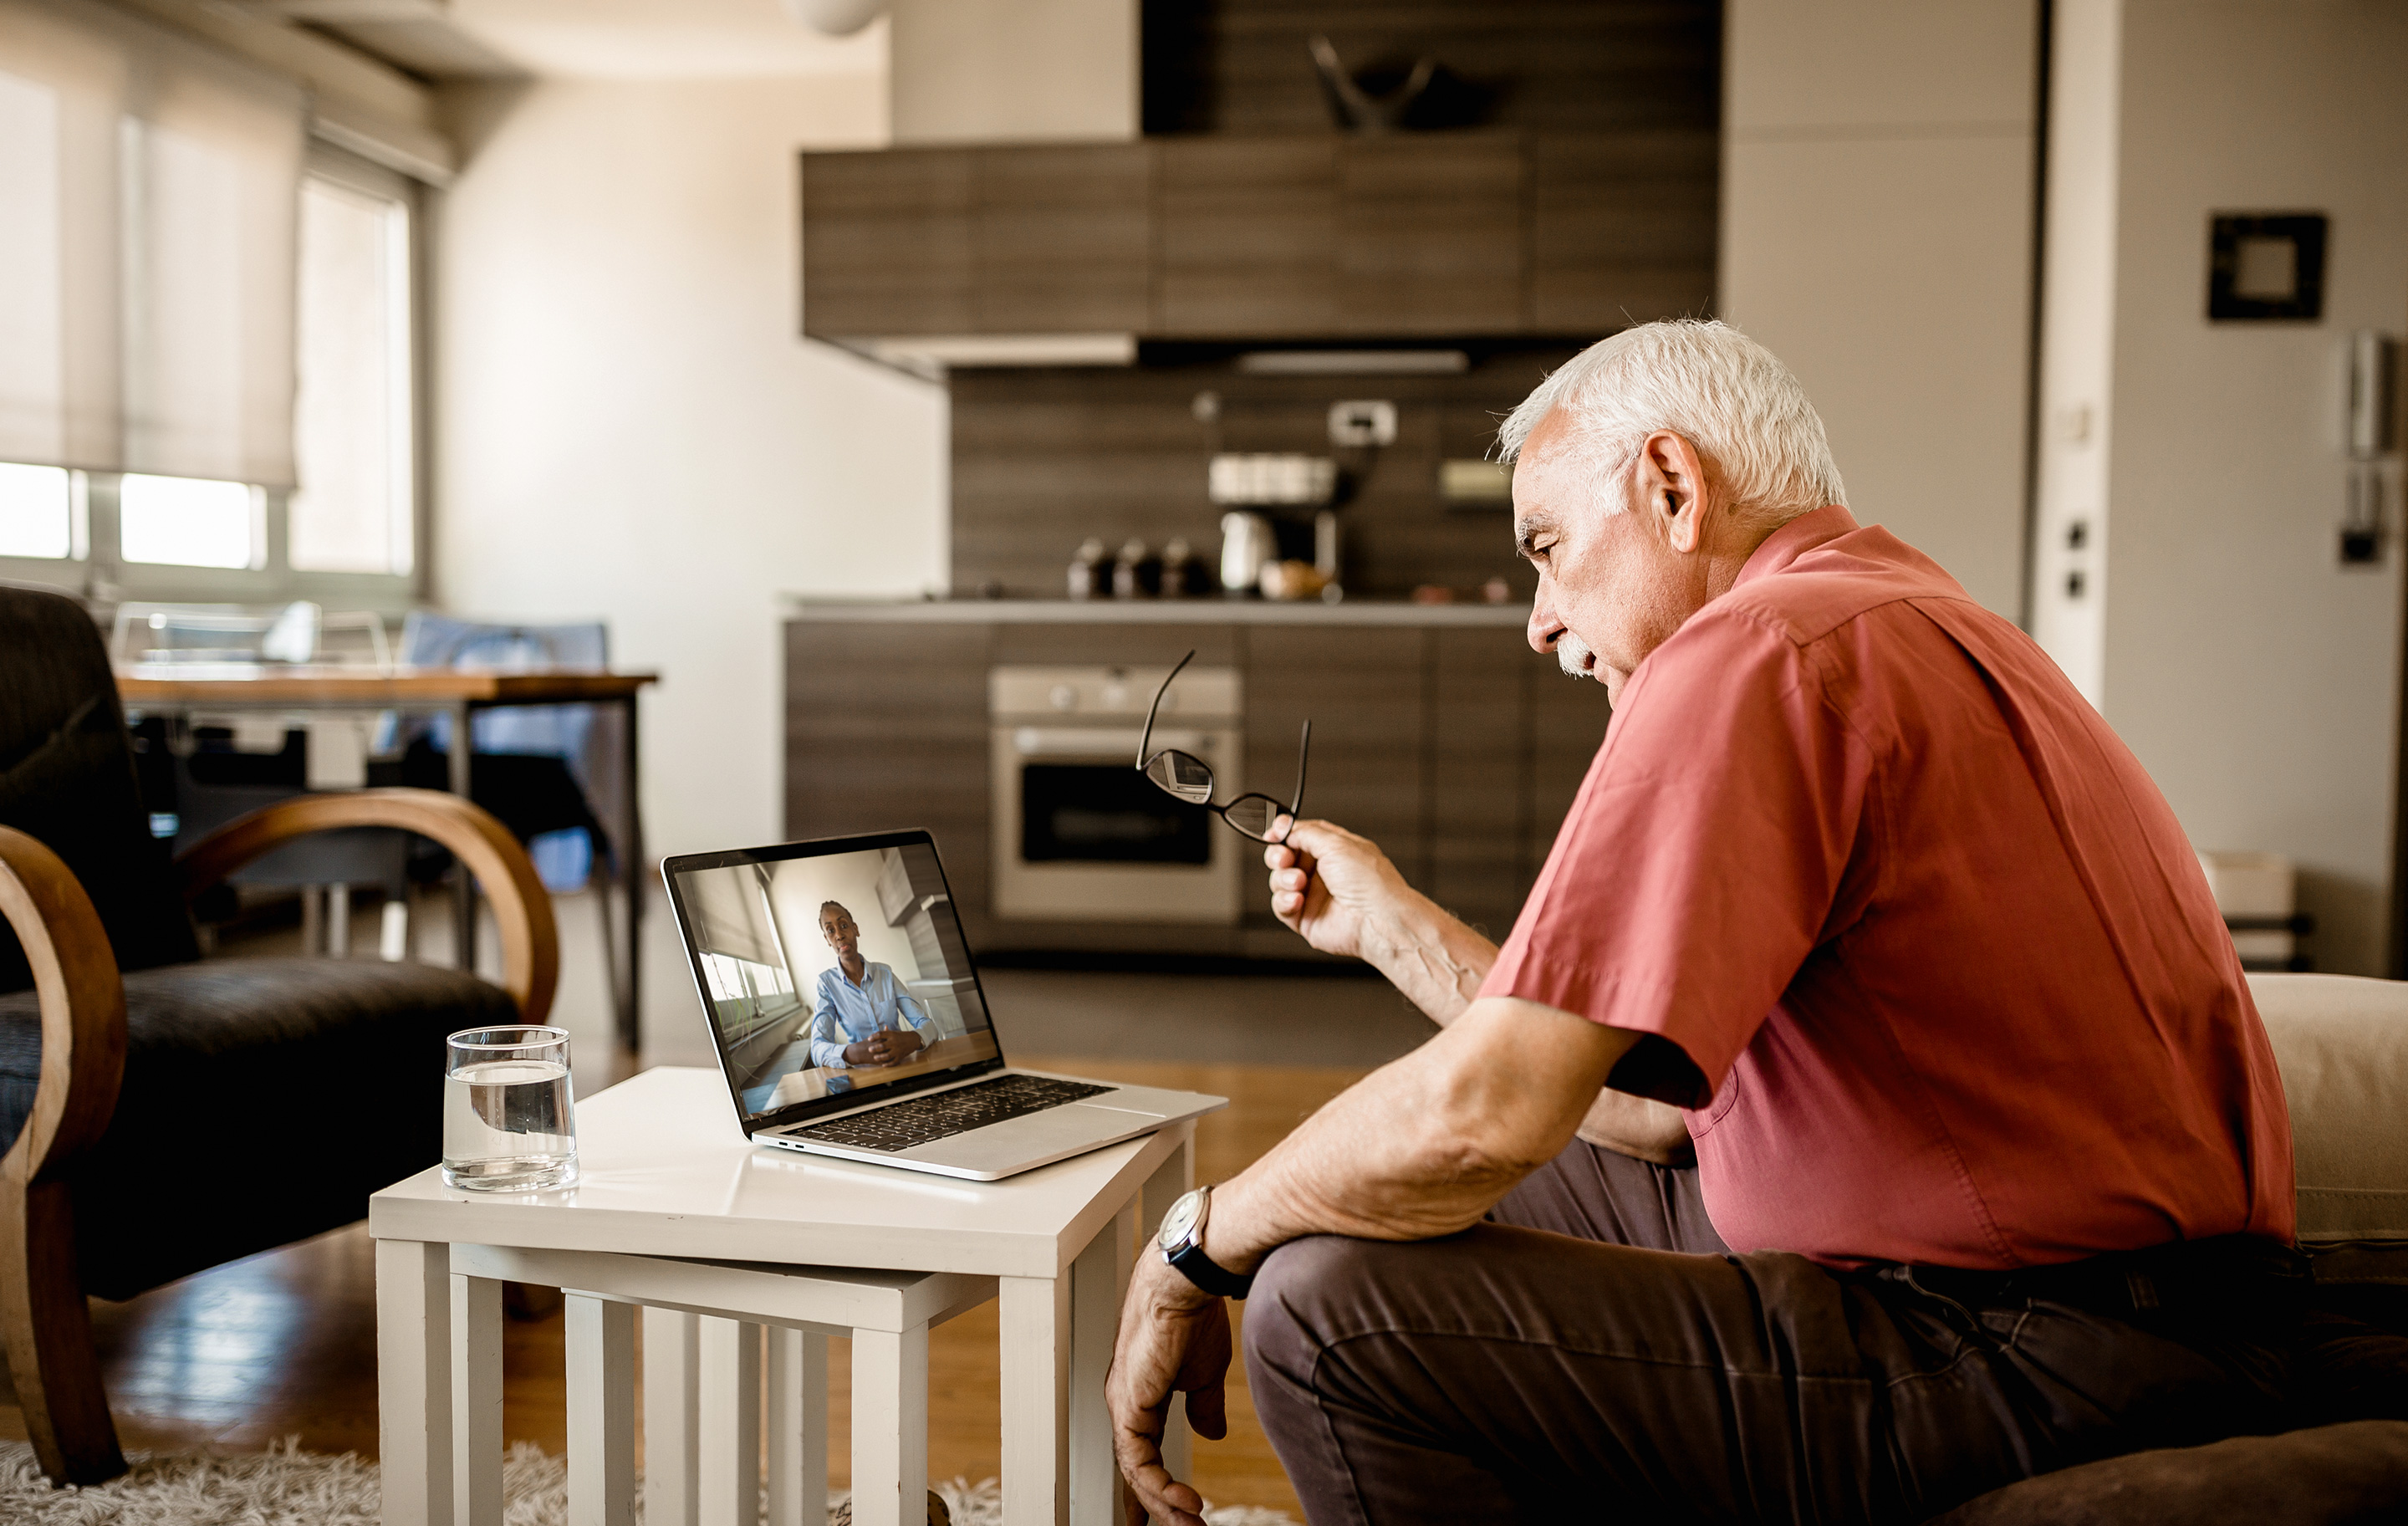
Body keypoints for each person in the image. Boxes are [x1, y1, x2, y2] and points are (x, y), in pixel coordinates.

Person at [1104, 320, 2300, 1525]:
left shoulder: (1757, 651)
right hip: (2144, 1313)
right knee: (1422, 1188)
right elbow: (1643, 1110)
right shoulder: (1904, 616)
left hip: (2025, 1347)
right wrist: (1391, 922)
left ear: (1673, 488)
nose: (1537, 618)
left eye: (1549, 547)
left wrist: (1194, 1246)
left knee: (1325, 1313)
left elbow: (1485, 1111)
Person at [807, 900, 934, 1069]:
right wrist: (853, 1053)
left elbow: (929, 1025)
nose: (839, 935)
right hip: (866, 1079)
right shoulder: (826, 984)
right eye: (831, 930)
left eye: (844, 926)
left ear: (855, 929)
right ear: (827, 939)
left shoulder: (885, 973)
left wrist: (912, 1039)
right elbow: (817, 1049)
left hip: (904, 1069)